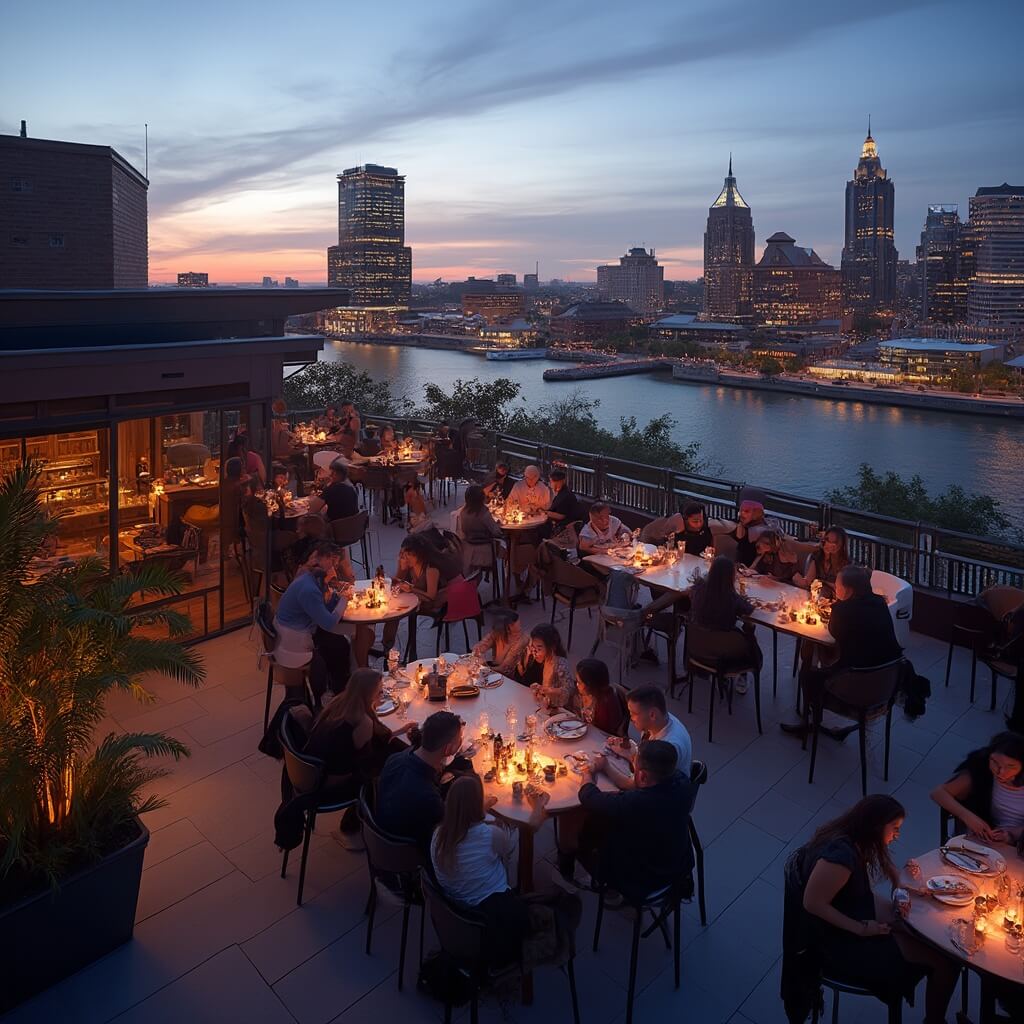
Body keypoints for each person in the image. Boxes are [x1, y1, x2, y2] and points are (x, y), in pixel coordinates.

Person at [791, 795, 959, 1024]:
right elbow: (812, 902)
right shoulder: (839, 857)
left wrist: (903, 884)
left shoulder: (857, 836)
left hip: (853, 912)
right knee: (944, 961)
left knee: (921, 931)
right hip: (837, 942)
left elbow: (885, 862)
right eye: (895, 828)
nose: (897, 835)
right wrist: (861, 929)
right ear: (876, 825)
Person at [431, 775, 549, 966]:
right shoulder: (489, 836)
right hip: (489, 914)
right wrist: (538, 805)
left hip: (453, 907)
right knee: (511, 846)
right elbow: (530, 827)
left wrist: (481, 807)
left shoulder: (438, 835)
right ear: (476, 806)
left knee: (494, 852)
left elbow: (465, 823)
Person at [559, 740, 694, 904]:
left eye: (635, 768)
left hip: (644, 881)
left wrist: (587, 774)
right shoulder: (683, 783)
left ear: (643, 776)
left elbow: (588, 797)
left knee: (580, 832)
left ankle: (587, 882)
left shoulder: (637, 803)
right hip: (678, 867)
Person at [781, 565, 903, 741]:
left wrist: (836, 608)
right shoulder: (880, 603)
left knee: (808, 674)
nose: (835, 589)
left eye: (837, 587)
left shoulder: (842, 610)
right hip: (888, 682)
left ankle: (812, 721)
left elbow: (833, 633)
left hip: (857, 683)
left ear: (848, 590)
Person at [304, 668, 419, 849]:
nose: (383, 694)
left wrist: (399, 731)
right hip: (330, 783)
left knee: (397, 752)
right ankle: (356, 826)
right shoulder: (362, 721)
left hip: (312, 770)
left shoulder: (341, 702)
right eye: (380, 691)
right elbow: (365, 763)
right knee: (394, 770)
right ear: (368, 694)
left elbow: (368, 744)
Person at [354, 533, 454, 664]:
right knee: (392, 613)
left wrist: (412, 588)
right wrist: (401, 567)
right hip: (415, 599)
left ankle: (396, 649)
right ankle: (386, 646)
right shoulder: (410, 566)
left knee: (395, 612)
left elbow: (431, 596)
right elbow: (398, 580)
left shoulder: (430, 569)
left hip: (431, 604)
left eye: (409, 555)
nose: (406, 558)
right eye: (404, 554)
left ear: (419, 554)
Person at [375, 710, 465, 855]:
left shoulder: (395, 759)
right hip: (407, 850)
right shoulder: (427, 796)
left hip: (382, 832)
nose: (461, 741)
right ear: (448, 749)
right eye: (460, 739)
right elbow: (451, 829)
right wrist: (480, 807)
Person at [929, 731, 1024, 843]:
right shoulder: (981, 770)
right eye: (995, 762)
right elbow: (938, 793)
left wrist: (1012, 834)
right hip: (983, 839)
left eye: (1011, 766)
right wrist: (968, 817)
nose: (1000, 771)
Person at [273, 563, 349, 701]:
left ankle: (338, 689)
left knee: (338, 643)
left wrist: (334, 597)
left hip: (285, 635)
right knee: (338, 646)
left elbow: (321, 608)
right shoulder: (310, 590)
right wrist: (344, 600)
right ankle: (332, 695)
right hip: (292, 643)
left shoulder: (305, 578)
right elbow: (329, 623)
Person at [603, 685, 692, 790]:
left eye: (634, 714)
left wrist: (605, 767)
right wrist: (629, 753)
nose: (631, 719)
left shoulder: (669, 747)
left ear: (652, 714)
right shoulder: (659, 720)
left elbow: (637, 785)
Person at [512, 623, 573, 707]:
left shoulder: (560, 665)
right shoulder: (536, 658)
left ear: (551, 647)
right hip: (540, 704)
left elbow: (569, 691)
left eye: (539, 648)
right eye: (533, 647)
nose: (535, 652)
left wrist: (550, 690)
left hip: (557, 710)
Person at [571, 658, 628, 736]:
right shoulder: (583, 693)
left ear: (590, 685)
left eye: (579, 682)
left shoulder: (606, 703)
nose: (577, 685)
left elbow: (605, 733)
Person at [794, 526, 850, 597]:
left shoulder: (845, 564)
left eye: (834, 543)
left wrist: (822, 583)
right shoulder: (817, 557)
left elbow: (841, 590)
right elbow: (808, 581)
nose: (828, 544)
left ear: (840, 546)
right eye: (827, 540)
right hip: (816, 595)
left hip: (835, 599)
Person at [473, 607, 528, 675]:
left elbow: (503, 669)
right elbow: (480, 647)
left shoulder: (522, 640)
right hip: (496, 668)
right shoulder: (498, 633)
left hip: (512, 676)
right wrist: (477, 653)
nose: (519, 629)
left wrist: (483, 667)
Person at [728, 499, 768, 567]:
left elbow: (760, 555)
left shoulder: (760, 530)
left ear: (756, 514)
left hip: (754, 570)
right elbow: (739, 538)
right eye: (741, 511)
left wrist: (750, 569)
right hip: (740, 565)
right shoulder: (744, 526)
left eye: (747, 511)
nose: (742, 513)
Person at [545, 468, 582, 536]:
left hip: (566, 526)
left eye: (551, 481)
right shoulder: (563, 492)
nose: (550, 484)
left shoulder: (565, 496)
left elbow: (561, 516)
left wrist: (545, 513)